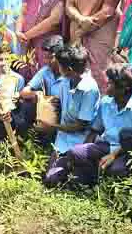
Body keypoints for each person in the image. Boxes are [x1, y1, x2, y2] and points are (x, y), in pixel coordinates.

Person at [43, 64, 132, 186]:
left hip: (126, 152)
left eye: (110, 83)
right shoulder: (106, 102)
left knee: (115, 169)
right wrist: (82, 151)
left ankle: (100, 180)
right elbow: (95, 130)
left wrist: (114, 155)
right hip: (105, 146)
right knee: (75, 153)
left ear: (124, 88)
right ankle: (91, 177)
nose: (106, 85)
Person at [39, 46, 100, 181]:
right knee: (49, 179)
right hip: (61, 139)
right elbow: (63, 105)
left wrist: (53, 127)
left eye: (60, 65)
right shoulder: (66, 82)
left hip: (80, 141)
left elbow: (80, 126)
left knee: (61, 180)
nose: (57, 67)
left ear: (69, 70)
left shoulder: (89, 89)